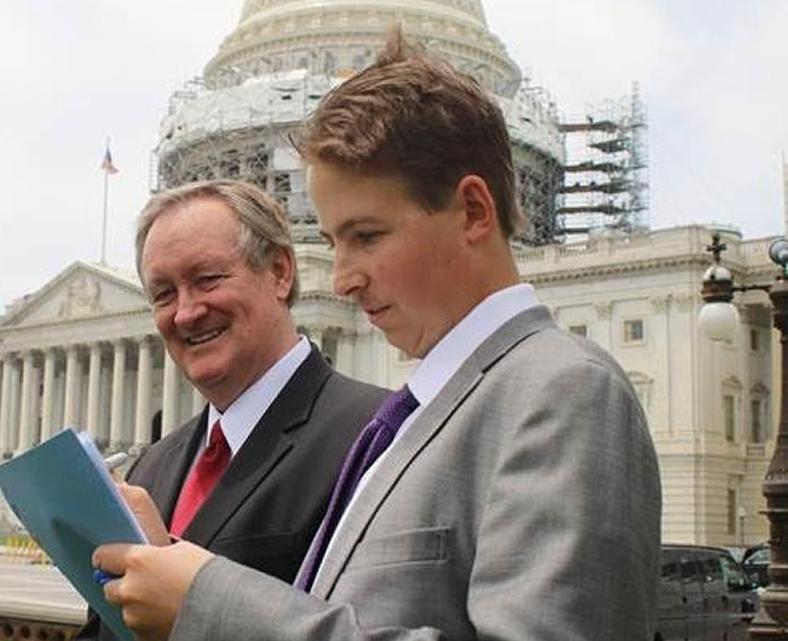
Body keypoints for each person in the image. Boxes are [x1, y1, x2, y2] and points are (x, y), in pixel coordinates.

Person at [93, 34, 662, 641]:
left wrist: (208, 603)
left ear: (472, 211)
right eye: (334, 242)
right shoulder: (412, 416)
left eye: (366, 235)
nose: (340, 280)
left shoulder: (565, 392)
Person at [77, 179, 388, 640]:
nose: (185, 313)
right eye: (163, 294)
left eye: (207, 280)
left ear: (280, 272)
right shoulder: (151, 467)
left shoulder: (379, 438)